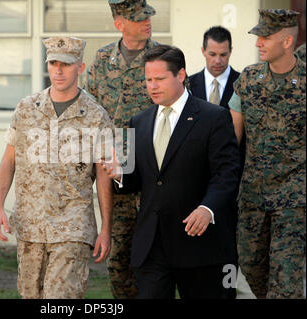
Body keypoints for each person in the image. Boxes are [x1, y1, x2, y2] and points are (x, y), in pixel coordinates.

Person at [103, 44, 241, 299]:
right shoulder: (138, 122)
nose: (152, 86)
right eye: (148, 80)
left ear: (180, 76)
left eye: (159, 79)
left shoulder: (214, 117)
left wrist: (207, 208)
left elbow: (227, 173)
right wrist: (120, 174)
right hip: (152, 248)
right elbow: (140, 180)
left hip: (201, 247)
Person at [0, 36, 114, 299]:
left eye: (67, 64)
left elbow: (104, 175)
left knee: (60, 299)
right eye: (53, 63)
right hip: (30, 225)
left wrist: (105, 228)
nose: (59, 70)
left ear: (80, 68)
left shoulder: (96, 116)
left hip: (73, 226)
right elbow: (9, 161)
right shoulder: (26, 109)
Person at [229, 9, 306, 299]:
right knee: (249, 278)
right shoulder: (248, 80)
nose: (258, 43)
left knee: (285, 283)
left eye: (265, 37)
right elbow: (231, 136)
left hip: (294, 201)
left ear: (287, 41)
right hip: (252, 198)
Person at [86, 0, 159, 299]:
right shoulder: (102, 60)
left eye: (147, 17)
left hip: (151, 174)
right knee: (118, 262)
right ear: (120, 24)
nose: (147, 22)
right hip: (112, 174)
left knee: (153, 258)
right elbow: (89, 111)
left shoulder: (161, 58)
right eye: (139, 18)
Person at [188, 26, 243, 277]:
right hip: (194, 181)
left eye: (223, 54)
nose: (218, 61)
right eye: (212, 54)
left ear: (231, 52)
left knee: (228, 250)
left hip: (232, 182)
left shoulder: (244, 85)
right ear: (203, 52)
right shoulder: (188, 85)